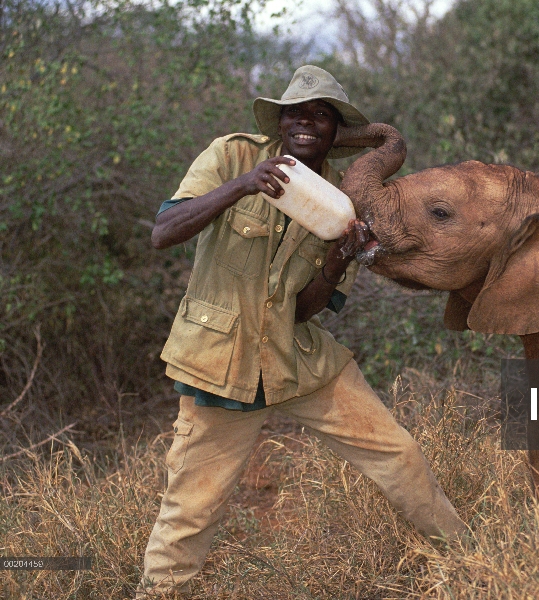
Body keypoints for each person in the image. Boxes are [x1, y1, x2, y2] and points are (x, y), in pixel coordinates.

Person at [138, 65, 467, 597]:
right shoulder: (233, 155)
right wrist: (243, 185)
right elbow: (163, 231)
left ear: (335, 131)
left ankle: (476, 559)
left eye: (322, 115)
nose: (308, 123)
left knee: (399, 456)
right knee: (190, 510)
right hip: (220, 364)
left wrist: (338, 259)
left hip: (300, 360)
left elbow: (302, 312)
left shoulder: (344, 201)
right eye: (298, 112)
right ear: (282, 119)